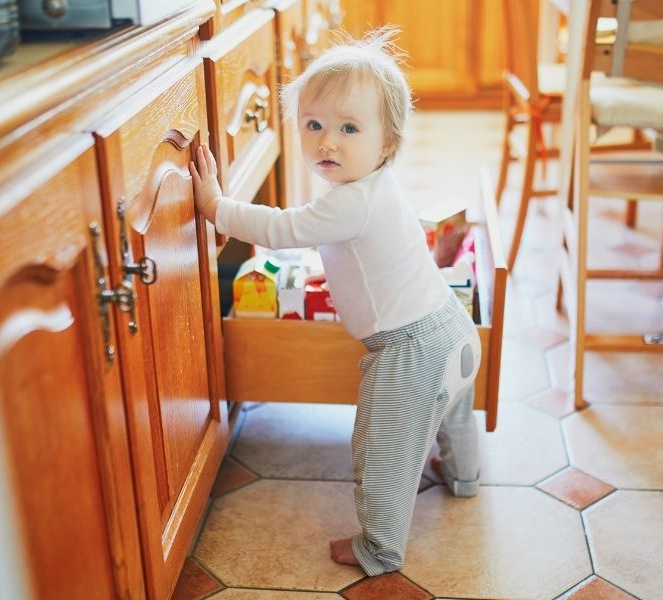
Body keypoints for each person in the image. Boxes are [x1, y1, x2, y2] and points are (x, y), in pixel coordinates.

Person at [189, 27, 481, 576]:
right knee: (453, 414)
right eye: (314, 125)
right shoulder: (379, 187)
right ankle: (464, 477)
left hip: (407, 351)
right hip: (452, 328)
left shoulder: (348, 203)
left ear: (388, 142)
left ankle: (379, 548)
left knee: (384, 451)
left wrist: (215, 205)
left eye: (349, 129)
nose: (328, 142)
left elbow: (280, 227)